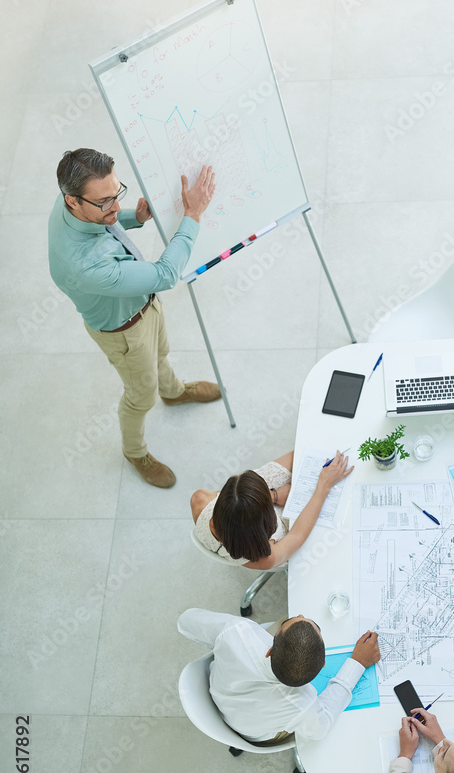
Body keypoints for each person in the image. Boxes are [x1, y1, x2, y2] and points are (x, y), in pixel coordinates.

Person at [48, 148, 221, 489]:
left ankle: (173, 392)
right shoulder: (86, 266)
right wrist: (193, 215)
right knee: (141, 395)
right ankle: (134, 451)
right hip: (123, 330)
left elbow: (109, 222)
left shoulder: (72, 200)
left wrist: (133, 217)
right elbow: (165, 275)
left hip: (144, 304)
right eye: (105, 203)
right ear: (72, 201)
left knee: (160, 355)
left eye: (117, 194)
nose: (115, 206)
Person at [177, 608, 380, 743]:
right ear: (322, 667)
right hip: (254, 733)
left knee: (284, 619)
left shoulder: (236, 631)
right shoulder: (303, 706)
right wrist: (358, 663)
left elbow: (185, 621)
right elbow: (320, 728)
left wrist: (220, 648)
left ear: (269, 650)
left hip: (219, 694)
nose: (300, 614)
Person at [190, 450, 353, 569]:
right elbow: (297, 535)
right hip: (272, 534)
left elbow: (239, 501)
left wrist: (274, 495)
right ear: (269, 520)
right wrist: (324, 485)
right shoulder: (266, 557)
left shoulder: (200, 500)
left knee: (302, 455)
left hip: (248, 522)